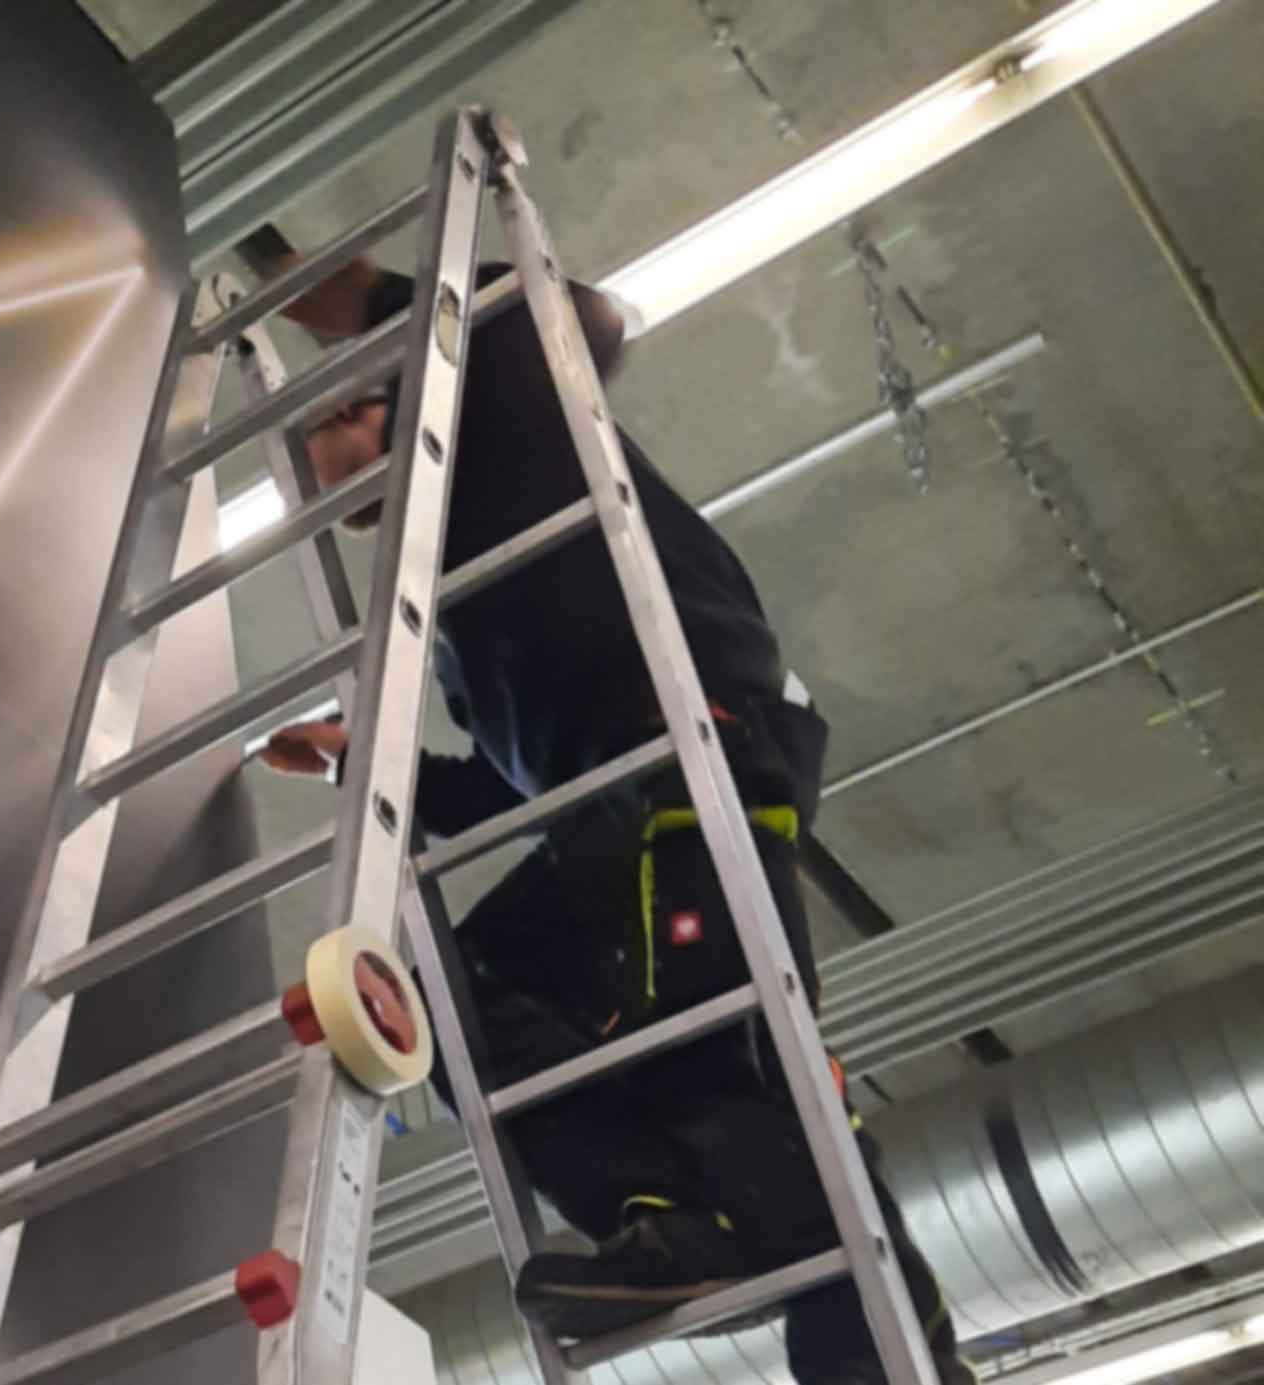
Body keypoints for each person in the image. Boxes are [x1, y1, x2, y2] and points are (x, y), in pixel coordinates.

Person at [245, 230, 972, 1384]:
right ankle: (667, 1217)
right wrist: (359, 764)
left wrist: (346, 295)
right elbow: (511, 781)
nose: (317, 473)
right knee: (457, 999)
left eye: (324, 432)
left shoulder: (505, 428)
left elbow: (561, 315)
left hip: (690, 750)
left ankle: (869, 1348)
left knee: (722, 1051)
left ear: (383, 398)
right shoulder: (462, 595)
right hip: (605, 799)